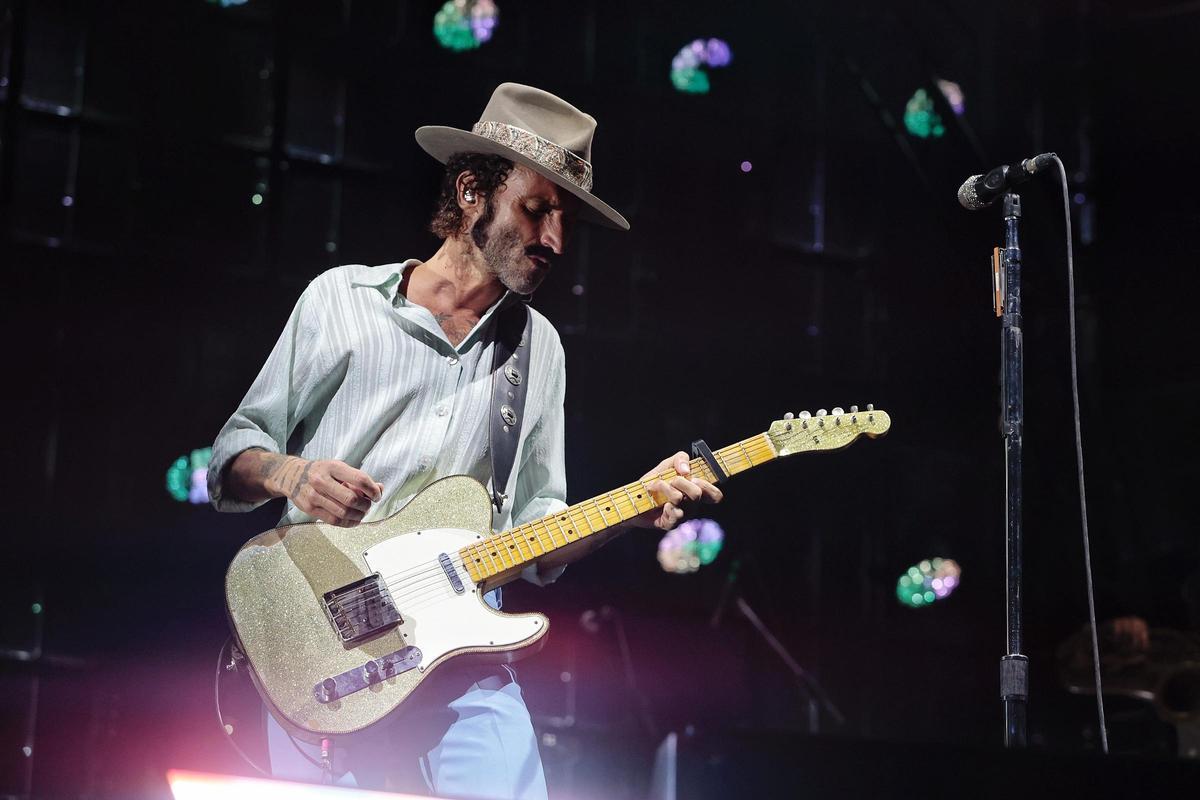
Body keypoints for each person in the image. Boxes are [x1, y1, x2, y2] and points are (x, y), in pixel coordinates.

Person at [207, 83, 723, 798]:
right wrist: (292, 476)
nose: (554, 241)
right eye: (536, 209)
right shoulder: (342, 300)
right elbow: (231, 456)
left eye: (565, 220)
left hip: (462, 657)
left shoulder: (539, 350)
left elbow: (537, 531)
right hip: (326, 640)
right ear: (472, 191)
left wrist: (630, 510)